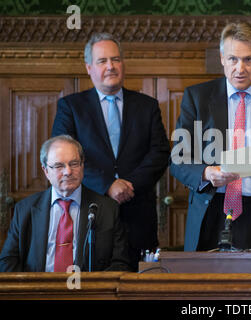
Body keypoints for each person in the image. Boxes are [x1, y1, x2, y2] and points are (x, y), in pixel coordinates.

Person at [170, 22, 251, 251]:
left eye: (248, 60)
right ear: (222, 58)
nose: (240, 68)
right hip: (211, 208)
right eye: (233, 59)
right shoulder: (197, 97)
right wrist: (205, 173)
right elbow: (179, 158)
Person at [51, 33, 170, 271]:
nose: (110, 66)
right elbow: (63, 155)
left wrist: (128, 185)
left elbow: (160, 153)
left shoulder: (146, 106)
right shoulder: (71, 107)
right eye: (102, 61)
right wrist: (108, 185)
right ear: (89, 67)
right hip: (89, 214)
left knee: (139, 285)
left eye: (115, 60)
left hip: (138, 215)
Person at [0, 135, 131, 272]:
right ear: (46, 170)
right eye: (59, 166)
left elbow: (120, 263)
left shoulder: (108, 209)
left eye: (74, 164)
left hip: (88, 291)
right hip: (38, 290)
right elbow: (8, 261)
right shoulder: (25, 209)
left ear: (82, 165)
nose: (68, 171)